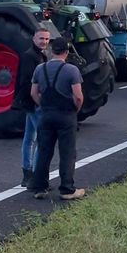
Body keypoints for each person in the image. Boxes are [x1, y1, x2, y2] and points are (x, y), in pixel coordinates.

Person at [27, 37, 86, 200]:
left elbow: (33, 93)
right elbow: (78, 96)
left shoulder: (40, 69)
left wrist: (43, 106)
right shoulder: (72, 70)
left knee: (44, 151)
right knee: (67, 152)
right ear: (66, 52)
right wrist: (74, 110)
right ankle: (67, 189)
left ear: (51, 51)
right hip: (66, 115)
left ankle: (39, 187)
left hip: (46, 114)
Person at [17, 29, 50, 187]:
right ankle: (37, 175)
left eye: (46, 39)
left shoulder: (40, 55)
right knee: (42, 139)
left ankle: (27, 172)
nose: (44, 41)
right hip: (34, 103)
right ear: (33, 39)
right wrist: (36, 101)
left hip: (30, 102)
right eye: (41, 38)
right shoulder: (30, 56)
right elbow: (27, 82)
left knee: (29, 137)